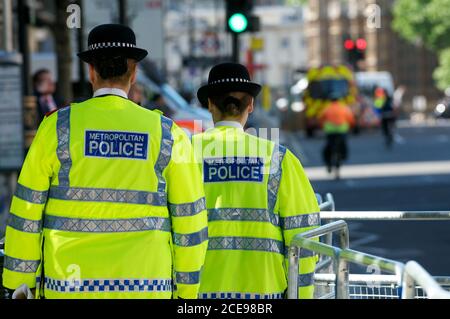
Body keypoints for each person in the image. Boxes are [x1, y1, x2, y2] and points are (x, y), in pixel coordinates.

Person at [2, 24, 208, 299]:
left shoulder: (57, 128)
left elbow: (27, 211)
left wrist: (19, 282)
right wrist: (188, 290)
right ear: (133, 73)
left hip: (68, 287)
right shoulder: (168, 134)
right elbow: (189, 219)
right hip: (147, 287)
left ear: (91, 72)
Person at [193, 63, 320, 299]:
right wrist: (301, 294)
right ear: (250, 105)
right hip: (263, 291)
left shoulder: (184, 154)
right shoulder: (279, 158)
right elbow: (303, 235)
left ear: (210, 104)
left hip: (198, 293)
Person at [319, 95, 355, 178]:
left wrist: (322, 126)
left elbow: (321, 119)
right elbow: (351, 119)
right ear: (339, 100)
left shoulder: (327, 108)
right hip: (342, 130)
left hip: (330, 131)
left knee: (328, 148)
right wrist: (352, 126)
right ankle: (343, 156)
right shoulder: (344, 108)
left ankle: (328, 163)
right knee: (343, 146)